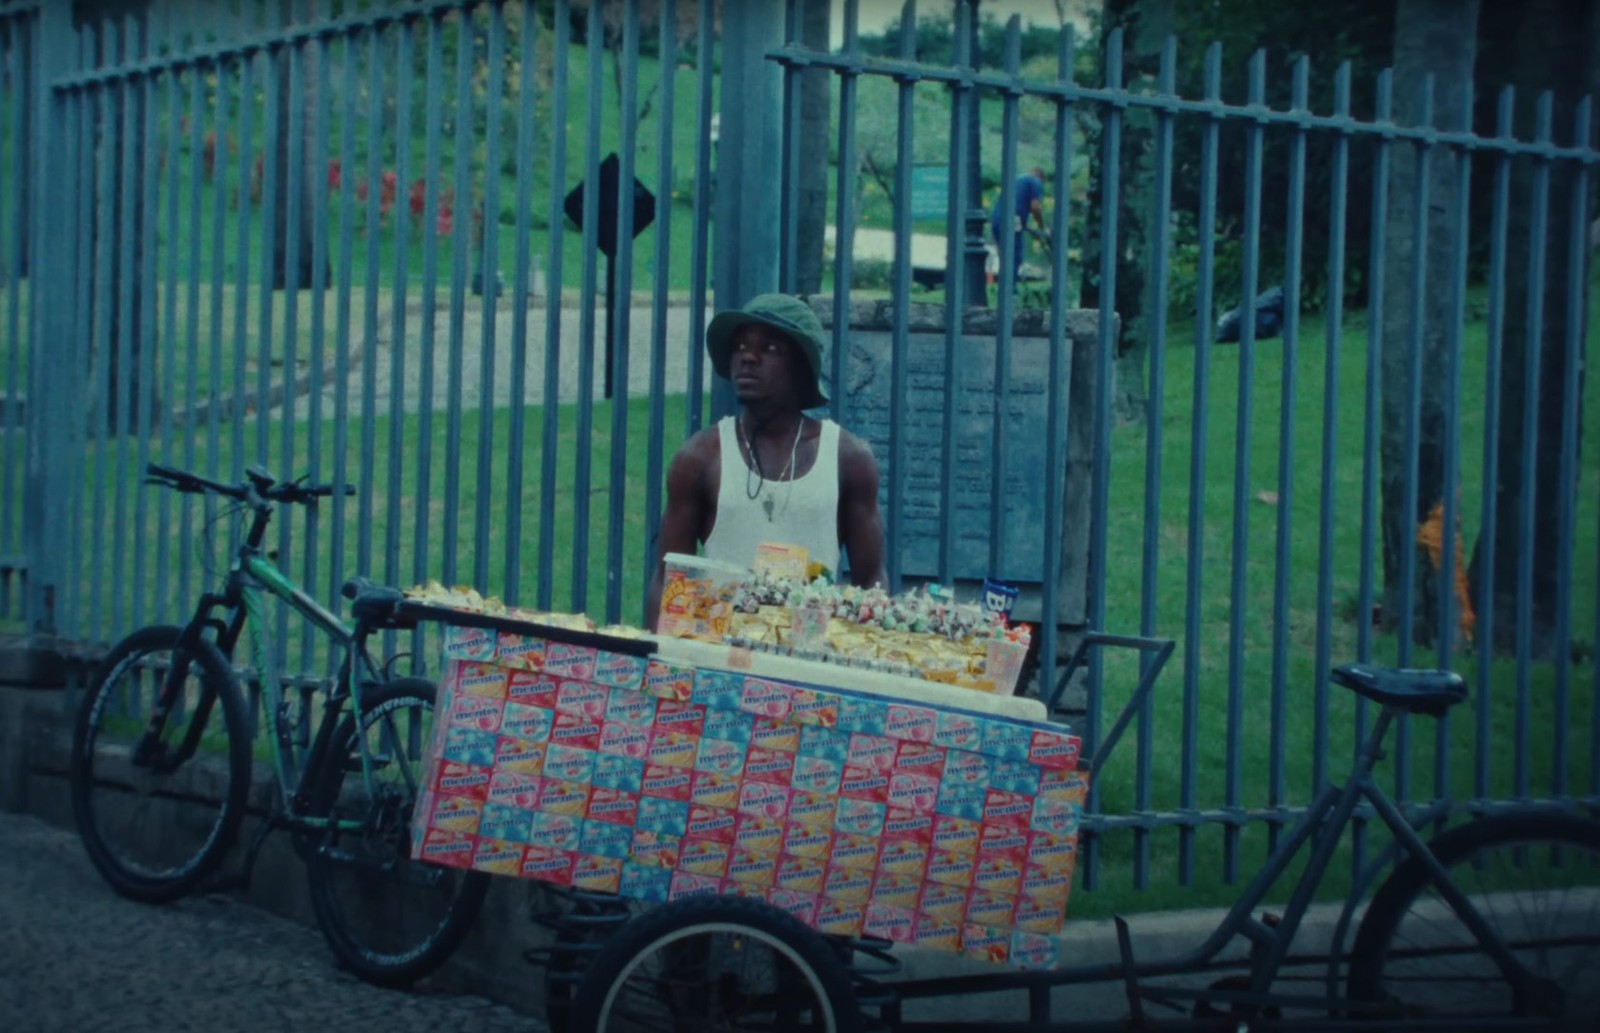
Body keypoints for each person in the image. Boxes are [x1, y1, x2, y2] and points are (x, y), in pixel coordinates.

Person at [647, 293, 887, 627]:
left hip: (811, 659)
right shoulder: (701, 457)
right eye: (740, 346)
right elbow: (669, 579)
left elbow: (871, 580)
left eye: (770, 349)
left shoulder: (848, 459)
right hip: (721, 661)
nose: (748, 358)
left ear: (802, 366)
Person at [990, 166, 1047, 284]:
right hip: (1012, 219)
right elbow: (1035, 207)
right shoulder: (1035, 181)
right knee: (1015, 255)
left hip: (996, 219)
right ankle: (1011, 290)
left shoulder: (1016, 181)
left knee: (1005, 257)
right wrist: (1042, 226)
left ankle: (1002, 288)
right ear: (1040, 177)